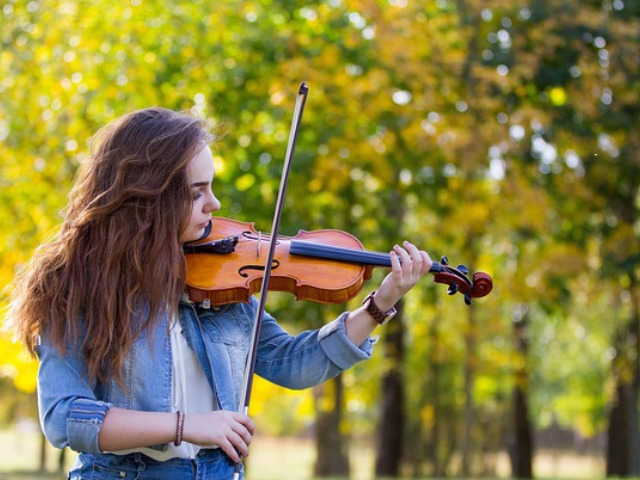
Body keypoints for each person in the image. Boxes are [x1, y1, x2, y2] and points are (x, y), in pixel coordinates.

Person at [10, 107, 432, 479]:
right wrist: (185, 425)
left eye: (211, 187)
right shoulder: (77, 286)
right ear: (149, 197)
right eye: (197, 193)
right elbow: (64, 417)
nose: (214, 204)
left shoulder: (219, 281)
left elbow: (293, 363)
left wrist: (380, 304)